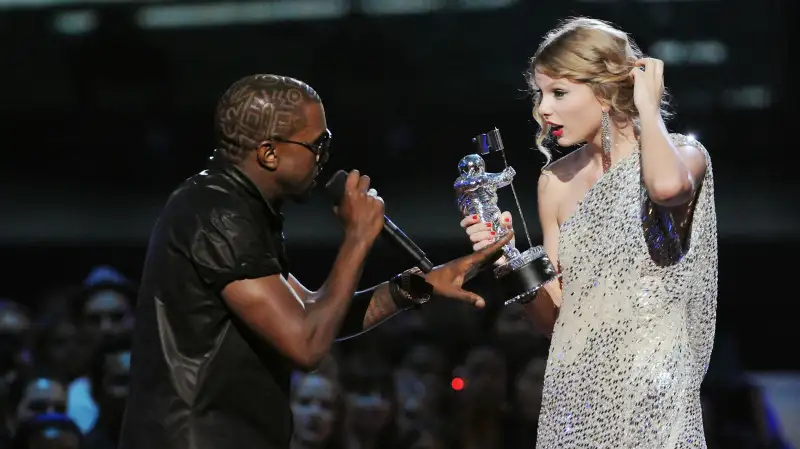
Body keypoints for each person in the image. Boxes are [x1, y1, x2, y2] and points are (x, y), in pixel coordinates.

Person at [118, 74, 512, 449]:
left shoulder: (235, 207)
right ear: (269, 153)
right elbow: (306, 344)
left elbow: (315, 314)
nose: (325, 157)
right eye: (316, 145)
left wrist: (416, 286)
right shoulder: (218, 213)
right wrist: (357, 237)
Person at [460, 17, 718, 448]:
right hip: (574, 404)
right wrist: (505, 260)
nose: (543, 109)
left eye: (559, 93)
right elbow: (557, 320)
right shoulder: (554, 183)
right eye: (540, 94)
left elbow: (666, 188)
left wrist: (648, 110)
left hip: (655, 404)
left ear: (604, 92)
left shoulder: (686, 156)